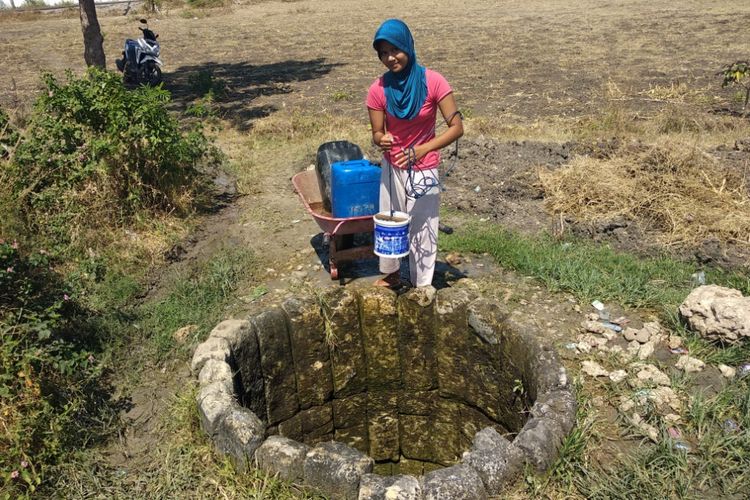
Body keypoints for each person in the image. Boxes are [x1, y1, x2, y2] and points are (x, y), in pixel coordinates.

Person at [366, 19, 463, 288]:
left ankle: (421, 283)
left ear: (407, 46)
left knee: (423, 226)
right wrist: (380, 139)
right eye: (383, 53)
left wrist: (422, 149)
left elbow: (457, 128)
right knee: (390, 223)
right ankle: (393, 274)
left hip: (424, 168)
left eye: (394, 50)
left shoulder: (434, 82)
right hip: (393, 167)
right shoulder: (378, 89)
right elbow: (376, 133)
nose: (389, 58)